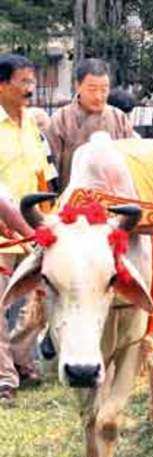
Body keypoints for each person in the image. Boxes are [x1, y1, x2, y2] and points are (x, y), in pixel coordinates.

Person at [0, 54, 48, 405]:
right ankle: (4, 379)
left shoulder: (31, 122)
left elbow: (41, 173)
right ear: (2, 85)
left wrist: (47, 224)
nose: (30, 89)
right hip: (3, 229)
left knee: (33, 300)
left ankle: (21, 361)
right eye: (24, 82)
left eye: (33, 81)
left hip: (31, 228)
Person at [47, 58, 134, 189]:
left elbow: (131, 162)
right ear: (77, 86)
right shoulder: (61, 120)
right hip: (73, 200)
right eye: (92, 89)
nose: (99, 96)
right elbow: (51, 170)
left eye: (104, 90)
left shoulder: (119, 118)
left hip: (115, 200)